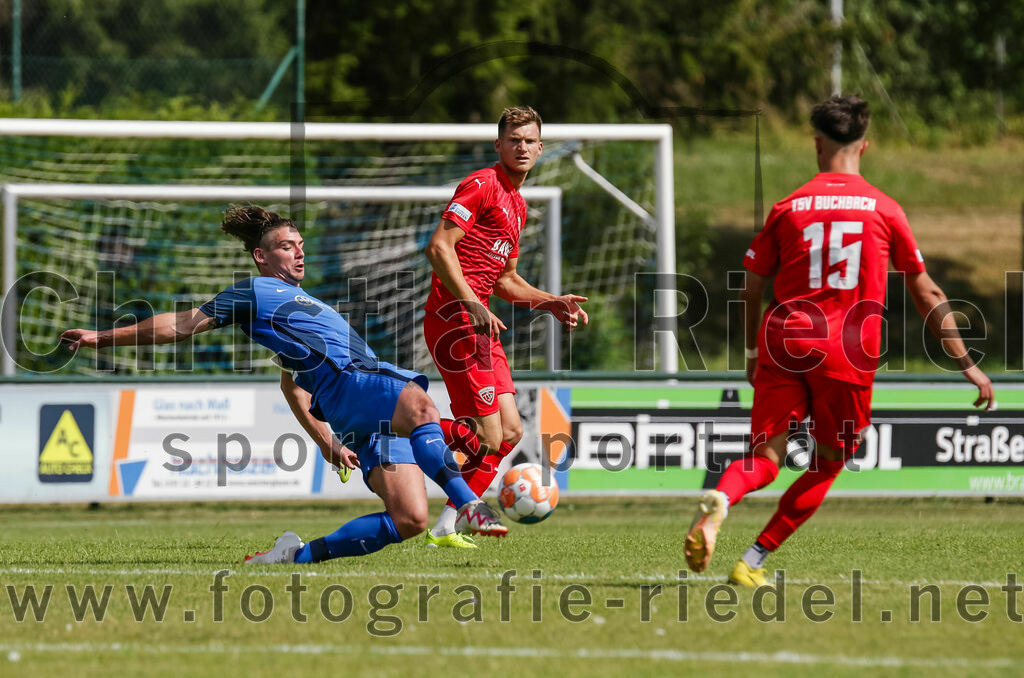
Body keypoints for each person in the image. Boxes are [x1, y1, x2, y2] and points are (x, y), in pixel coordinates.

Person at [59, 205, 508, 564]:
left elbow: (292, 386)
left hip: (352, 408)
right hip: (354, 382)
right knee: (422, 407)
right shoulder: (252, 292)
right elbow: (179, 323)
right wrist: (101, 337)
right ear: (261, 257)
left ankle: (294, 556)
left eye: (300, 245)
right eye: (286, 246)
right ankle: (471, 505)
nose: (299, 252)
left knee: (409, 519)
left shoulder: (304, 305)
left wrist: (326, 440)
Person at [684, 95, 996, 587]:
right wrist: (967, 365)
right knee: (827, 464)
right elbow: (926, 291)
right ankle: (751, 561)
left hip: (784, 339)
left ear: (817, 143)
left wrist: (750, 353)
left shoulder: (788, 207)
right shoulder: (885, 210)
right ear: (864, 146)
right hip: (847, 351)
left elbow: (749, 287)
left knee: (764, 458)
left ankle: (721, 498)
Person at [421, 106, 589, 544]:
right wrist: (473, 302)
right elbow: (439, 248)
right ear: (499, 145)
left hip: (481, 323)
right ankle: (396, 424)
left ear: (540, 147)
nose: (522, 147)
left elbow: (507, 280)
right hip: (455, 318)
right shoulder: (482, 184)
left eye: (530, 140)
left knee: (510, 432)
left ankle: (446, 525)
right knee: (488, 434)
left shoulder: (517, 204)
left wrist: (550, 300)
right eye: (514, 139)